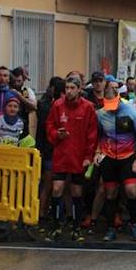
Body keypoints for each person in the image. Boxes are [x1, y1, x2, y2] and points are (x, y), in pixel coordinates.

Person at [44, 76, 97, 242]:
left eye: (72, 88)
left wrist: (88, 157)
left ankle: (76, 227)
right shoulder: (57, 105)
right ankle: (57, 226)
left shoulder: (88, 108)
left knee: (76, 191)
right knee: (57, 188)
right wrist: (56, 135)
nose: (68, 91)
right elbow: (50, 126)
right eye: (67, 88)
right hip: (61, 154)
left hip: (79, 156)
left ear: (79, 89)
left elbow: (92, 135)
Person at [96, 78, 136, 241]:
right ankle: (111, 227)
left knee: (131, 191)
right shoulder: (100, 114)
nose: (111, 109)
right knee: (110, 193)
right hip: (109, 156)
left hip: (128, 156)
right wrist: (98, 152)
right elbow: (97, 136)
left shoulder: (131, 112)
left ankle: (135, 224)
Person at [35, 76, 65, 221]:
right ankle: (42, 213)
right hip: (50, 149)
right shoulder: (49, 107)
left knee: (52, 185)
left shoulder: (45, 105)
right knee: (48, 184)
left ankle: (46, 213)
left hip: (51, 148)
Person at [9, 67, 38, 135]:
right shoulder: (7, 91)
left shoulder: (26, 91)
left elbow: (34, 107)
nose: (16, 83)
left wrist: (20, 96)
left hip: (23, 128)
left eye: (19, 81)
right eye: (14, 81)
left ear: (23, 80)